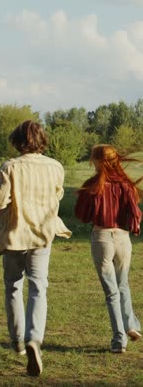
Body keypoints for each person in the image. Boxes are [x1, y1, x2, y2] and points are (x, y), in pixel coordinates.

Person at [0, 120, 71, 376]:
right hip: (43, 233)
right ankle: (34, 338)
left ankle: (17, 339)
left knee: (13, 285)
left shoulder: (10, 167)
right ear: (42, 140)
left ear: (17, 141)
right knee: (38, 287)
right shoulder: (56, 167)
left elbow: (0, 201)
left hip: (16, 233)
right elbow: (58, 195)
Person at [75, 144, 142, 353]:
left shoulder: (93, 185)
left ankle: (118, 340)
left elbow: (82, 214)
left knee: (111, 292)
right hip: (123, 238)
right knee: (123, 284)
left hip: (102, 237)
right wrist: (135, 226)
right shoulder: (125, 185)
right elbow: (136, 213)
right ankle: (131, 325)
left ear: (95, 161)